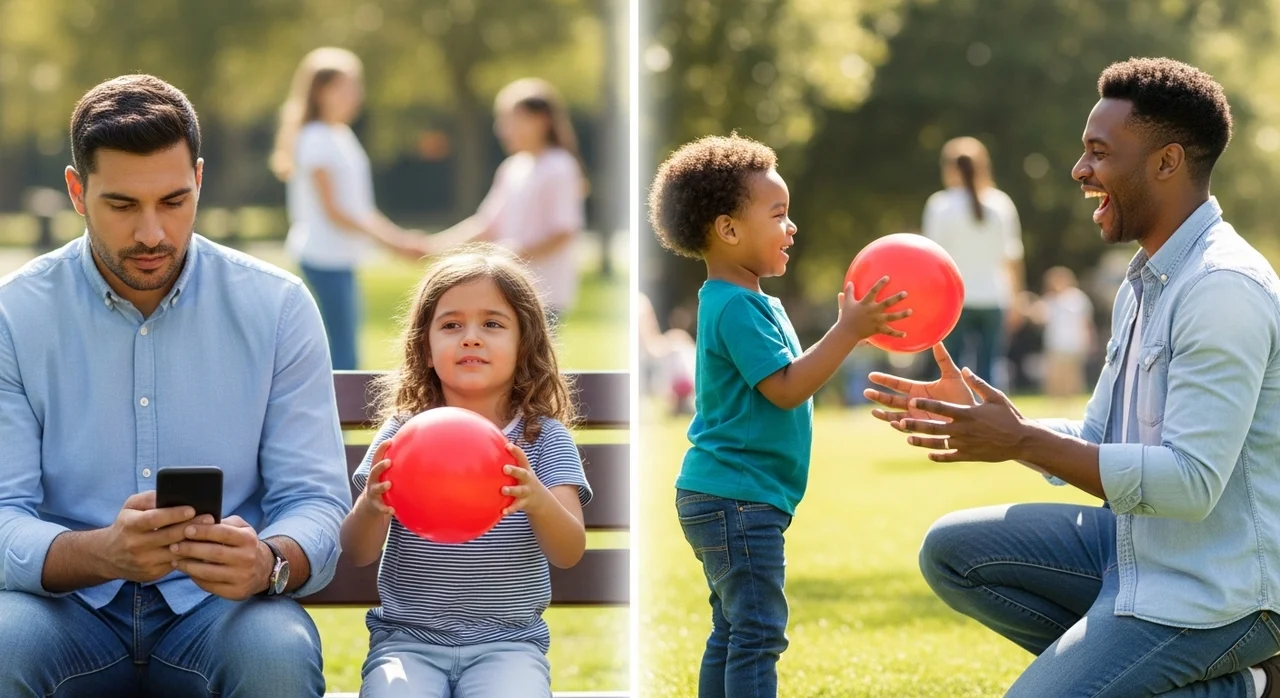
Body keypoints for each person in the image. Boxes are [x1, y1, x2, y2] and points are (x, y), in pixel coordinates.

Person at [866, 57, 1280, 697]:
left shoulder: (1221, 288)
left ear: (1166, 163)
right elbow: (1095, 433)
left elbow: (1192, 484)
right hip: (1134, 551)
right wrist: (995, 420)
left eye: (1097, 152)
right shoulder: (1144, 282)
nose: (1079, 170)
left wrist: (1021, 442)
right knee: (951, 551)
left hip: (1215, 591)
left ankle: (1247, 684)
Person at [0, 74, 351, 696]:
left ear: (199, 179)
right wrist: (99, 554)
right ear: (77, 192)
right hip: (65, 611)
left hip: (222, 613)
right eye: (122, 205)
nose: (152, 234)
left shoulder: (277, 307)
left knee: (277, 655)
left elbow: (317, 501)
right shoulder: (15, 314)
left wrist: (268, 562)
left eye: (173, 200)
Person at [647, 134, 910, 697]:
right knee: (759, 632)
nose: (792, 227)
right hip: (737, 499)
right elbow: (786, 388)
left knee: (735, 628)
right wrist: (848, 332)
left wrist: (845, 334)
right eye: (779, 214)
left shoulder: (741, 299)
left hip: (729, 495)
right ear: (729, 230)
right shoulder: (736, 306)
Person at [341, 243, 591, 697]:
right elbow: (357, 551)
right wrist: (372, 505)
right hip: (406, 644)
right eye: (451, 325)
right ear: (427, 348)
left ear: (524, 345)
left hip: (509, 646)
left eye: (492, 324)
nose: (470, 337)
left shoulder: (544, 439)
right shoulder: (402, 435)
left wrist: (536, 499)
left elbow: (569, 550)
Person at [270, 46, 426, 370]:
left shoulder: (339, 134)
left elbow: (359, 207)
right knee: (341, 357)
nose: (356, 96)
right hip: (323, 259)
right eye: (348, 87)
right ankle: (335, 421)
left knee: (344, 350)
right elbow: (336, 210)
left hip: (338, 259)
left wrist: (396, 239)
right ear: (322, 91)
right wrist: (394, 242)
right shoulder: (315, 138)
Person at [427, 78, 587, 318]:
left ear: (541, 120)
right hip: (507, 290)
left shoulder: (559, 167)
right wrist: (436, 246)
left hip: (544, 294)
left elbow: (563, 232)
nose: (502, 130)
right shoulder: (513, 168)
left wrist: (510, 256)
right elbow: (488, 224)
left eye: (510, 120)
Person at [923, 136, 1025, 385]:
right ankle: (989, 420)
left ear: (949, 168)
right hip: (993, 297)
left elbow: (931, 259)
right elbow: (1012, 258)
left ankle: (950, 417)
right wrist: (1016, 300)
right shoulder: (1001, 204)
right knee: (989, 369)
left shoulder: (940, 205)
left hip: (954, 300)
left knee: (949, 366)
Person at [1037, 265, 1095, 398]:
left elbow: (1087, 322)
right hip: (1055, 343)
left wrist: (1090, 341)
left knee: (1073, 376)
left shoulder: (1078, 298)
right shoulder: (1050, 299)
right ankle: (1056, 401)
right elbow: (1040, 318)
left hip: (1074, 343)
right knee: (1055, 376)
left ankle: (1072, 401)